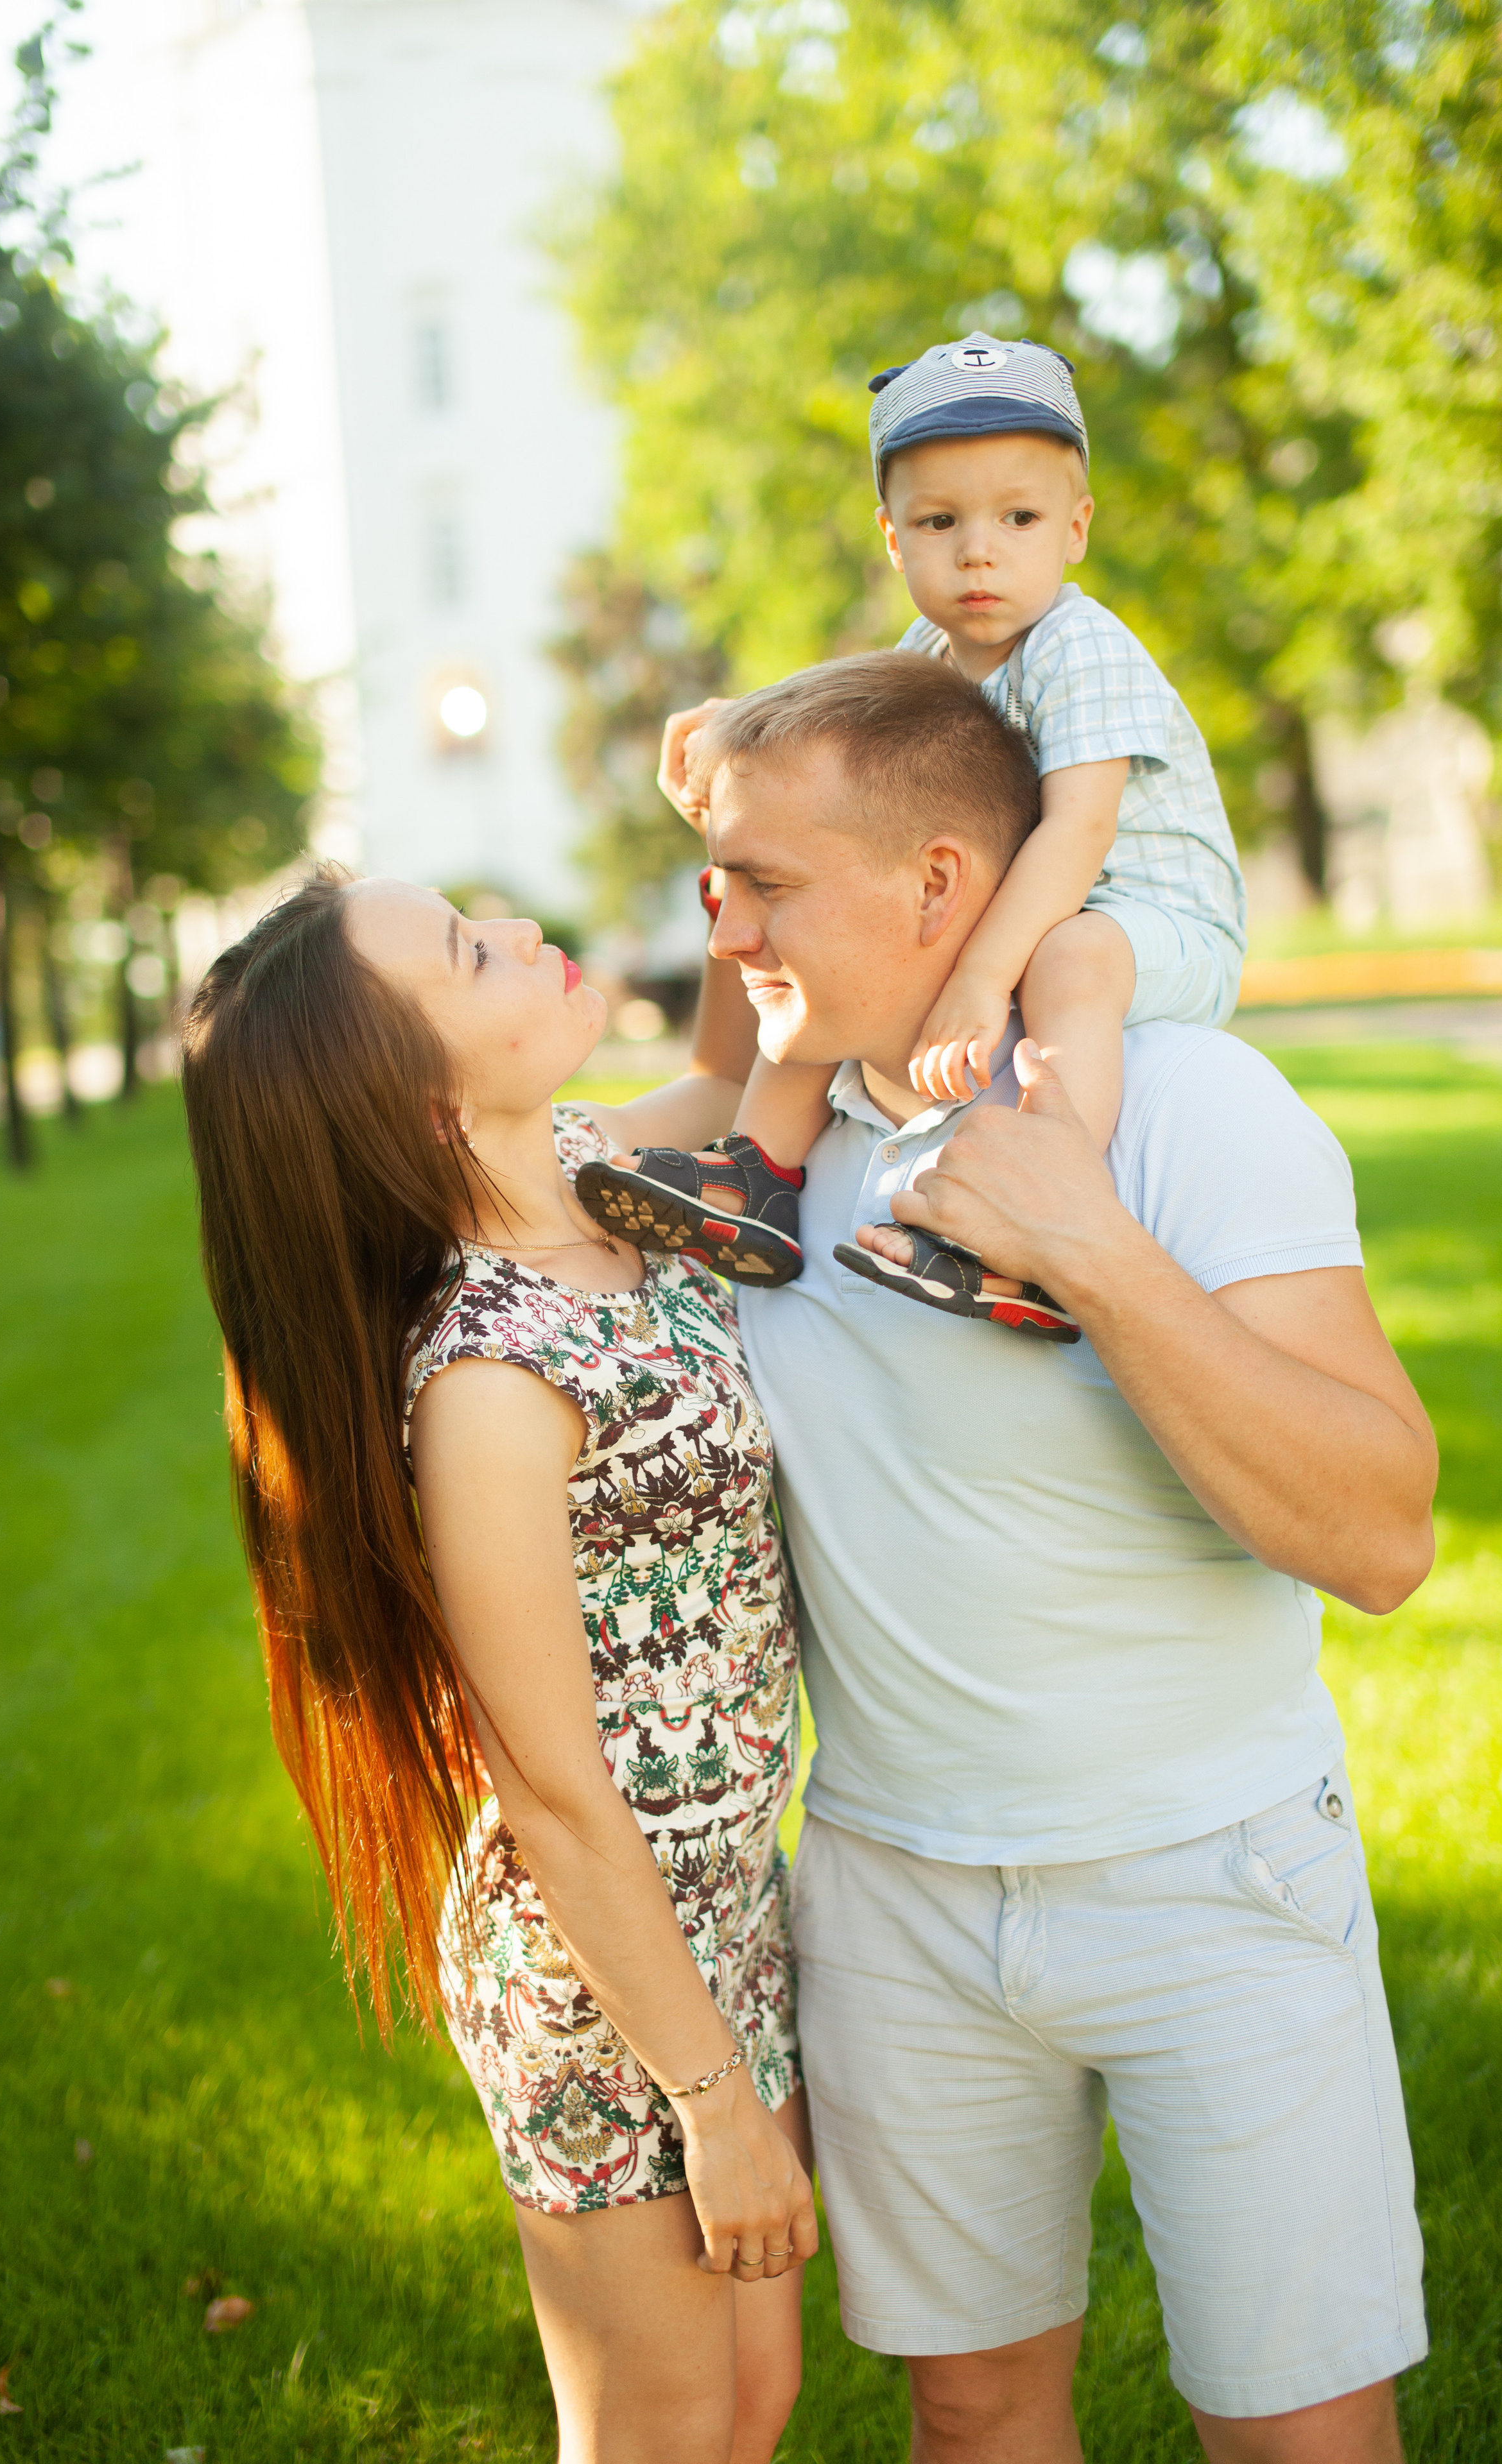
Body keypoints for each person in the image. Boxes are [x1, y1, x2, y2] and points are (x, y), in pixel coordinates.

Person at [669, 651, 1435, 2462]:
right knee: (976, 2413)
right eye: (715, 880)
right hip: (894, 1898)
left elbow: (1384, 1534)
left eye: (767, 881)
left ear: (944, 882)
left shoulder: (1180, 1100)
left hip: (1215, 1878)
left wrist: (1091, 1245)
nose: (723, 929)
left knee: (1297, 2433)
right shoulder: (766, 1163)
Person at [179, 869, 816, 2464]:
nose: (523, 934)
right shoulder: (485, 1376)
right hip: (605, 1978)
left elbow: (750, 1087)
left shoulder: (599, 1172)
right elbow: (545, 1784)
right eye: (474, 952)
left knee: (756, 2401)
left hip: (728, 1895)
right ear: (421, 1096)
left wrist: (743, 856)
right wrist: (711, 2099)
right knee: (663, 2433)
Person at [577, 335, 1247, 1342]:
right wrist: (736, 746)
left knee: (1071, 953)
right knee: (840, 968)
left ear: (1075, 528)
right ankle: (756, 1175)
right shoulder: (926, 658)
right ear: (893, 539)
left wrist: (981, 982)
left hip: (1148, 919)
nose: (979, 549)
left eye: (1018, 517)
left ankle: (1045, 1214)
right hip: (1022, 905)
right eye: (940, 521)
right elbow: (838, 774)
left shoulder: (1083, 647)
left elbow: (1079, 829)